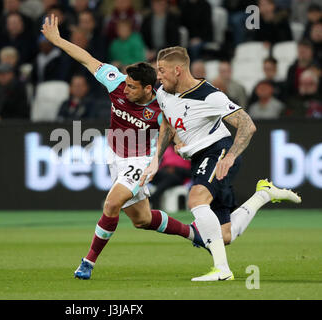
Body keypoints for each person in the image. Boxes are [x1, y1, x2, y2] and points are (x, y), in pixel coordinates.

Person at [42, 14, 194, 280]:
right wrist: (58, 40)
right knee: (142, 220)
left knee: (111, 205)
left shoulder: (162, 103)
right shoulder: (117, 81)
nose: (126, 91)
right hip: (115, 156)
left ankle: (88, 262)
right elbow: (86, 58)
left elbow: (169, 128)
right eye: (126, 84)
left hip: (141, 160)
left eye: (133, 88)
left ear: (149, 89)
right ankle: (195, 234)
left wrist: (176, 144)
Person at [140, 46, 301, 281]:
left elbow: (247, 125)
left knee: (196, 199)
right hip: (199, 159)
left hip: (218, 152)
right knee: (224, 235)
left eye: (162, 71)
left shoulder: (209, 95)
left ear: (178, 70)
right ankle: (264, 195)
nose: (158, 76)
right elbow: (166, 124)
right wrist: (156, 159)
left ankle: (222, 270)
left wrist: (231, 156)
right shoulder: (164, 92)